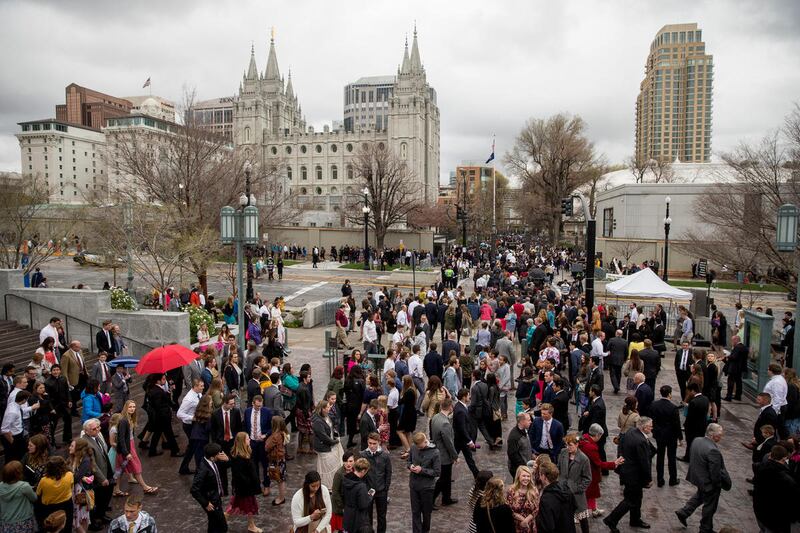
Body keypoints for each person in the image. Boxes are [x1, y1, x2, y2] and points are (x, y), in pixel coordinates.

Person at [675, 423, 731, 533]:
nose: (721, 437)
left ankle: (684, 512)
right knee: (710, 506)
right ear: (712, 435)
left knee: (700, 495)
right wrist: (717, 486)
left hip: (698, 477)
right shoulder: (713, 450)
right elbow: (715, 473)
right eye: (719, 435)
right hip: (708, 482)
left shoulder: (697, 440)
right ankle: (705, 528)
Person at [603, 417, 654, 533]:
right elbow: (644, 462)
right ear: (644, 427)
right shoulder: (641, 441)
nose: (652, 428)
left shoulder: (631, 431)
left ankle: (635, 519)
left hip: (626, 472)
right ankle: (611, 519)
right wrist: (648, 479)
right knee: (630, 500)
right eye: (651, 426)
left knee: (637, 498)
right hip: (634, 476)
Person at [579, 423, 623, 518]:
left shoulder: (584, 438)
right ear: (597, 435)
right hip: (590, 473)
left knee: (591, 493)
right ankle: (579, 515)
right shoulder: (591, 447)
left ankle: (594, 509)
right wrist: (614, 463)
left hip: (584, 472)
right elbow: (599, 463)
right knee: (588, 494)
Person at [752, 444, 799, 533]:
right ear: (784, 458)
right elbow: (793, 501)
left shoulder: (761, 467)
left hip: (760, 510)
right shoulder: (785, 479)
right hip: (775, 519)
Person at [115, 400, 158, 496]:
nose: (132, 409)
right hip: (126, 448)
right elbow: (121, 438)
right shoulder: (123, 421)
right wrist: (126, 453)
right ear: (126, 407)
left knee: (120, 470)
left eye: (134, 407)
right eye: (130, 407)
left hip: (130, 446)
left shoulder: (129, 419)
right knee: (135, 467)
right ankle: (145, 487)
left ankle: (116, 490)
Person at [226, 432, 263, 533]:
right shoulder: (239, 458)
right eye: (247, 439)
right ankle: (251, 526)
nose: (249, 440)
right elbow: (240, 475)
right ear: (242, 442)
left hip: (245, 488)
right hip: (245, 488)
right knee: (249, 507)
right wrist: (250, 484)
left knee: (235, 505)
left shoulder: (244, 454)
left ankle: (222, 519)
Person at [557, 433, 592, 533]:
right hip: (563, 490)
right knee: (566, 518)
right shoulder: (563, 453)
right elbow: (558, 468)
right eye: (566, 445)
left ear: (577, 444)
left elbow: (588, 478)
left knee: (582, 518)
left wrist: (577, 488)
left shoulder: (583, 459)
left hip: (576, 494)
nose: (568, 447)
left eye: (570, 445)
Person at [82, 419, 113, 531]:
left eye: (98, 427)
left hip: (106, 469)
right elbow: (92, 464)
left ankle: (102, 514)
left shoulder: (97, 436)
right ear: (86, 431)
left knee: (106, 494)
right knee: (97, 499)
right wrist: (102, 478)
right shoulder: (86, 443)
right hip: (96, 476)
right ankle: (94, 521)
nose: (98, 430)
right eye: (94, 429)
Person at [191, 443, 229, 533]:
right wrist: (205, 503)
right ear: (212, 457)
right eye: (218, 454)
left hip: (216, 498)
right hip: (211, 502)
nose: (221, 455)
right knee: (222, 526)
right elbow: (194, 489)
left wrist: (227, 460)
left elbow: (226, 466)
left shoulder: (212, 461)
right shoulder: (203, 470)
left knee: (213, 524)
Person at [649, 384, 682, 487]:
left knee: (660, 457)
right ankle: (672, 479)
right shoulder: (673, 408)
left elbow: (652, 419)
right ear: (669, 394)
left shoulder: (654, 405)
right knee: (671, 457)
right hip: (671, 436)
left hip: (659, 434)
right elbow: (677, 424)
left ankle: (660, 479)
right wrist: (680, 437)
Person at [408, 432, 441, 533]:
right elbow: (409, 461)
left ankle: (425, 530)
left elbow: (437, 472)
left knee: (426, 513)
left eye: (420, 446)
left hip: (427, 488)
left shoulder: (435, 452)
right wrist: (410, 466)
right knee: (415, 512)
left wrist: (422, 470)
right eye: (416, 446)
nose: (418, 448)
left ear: (425, 441)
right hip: (414, 485)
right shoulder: (413, 448)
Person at [211, 394, 243, 496]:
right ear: (225, 403)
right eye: (231, 404)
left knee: (235, 467)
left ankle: (235, 489)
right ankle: (224, 490)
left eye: (234, 403)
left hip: (233, 444)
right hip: (221, 444)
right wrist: (216, 445)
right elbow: (213, 431)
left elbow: (239, 428)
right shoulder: (215, 414)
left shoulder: (236, 412)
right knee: (222, 469)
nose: (233, 406)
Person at [536, 461, 578, 533]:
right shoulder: (566, 488)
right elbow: (575, 506)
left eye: (540, 474)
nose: (539, 477)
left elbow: (547, 526)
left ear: (544, 476)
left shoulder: (546, 499)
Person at [362, 432, 392, 533]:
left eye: (374, 443)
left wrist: (385, 488)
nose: (372, 446)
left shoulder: (385, 456)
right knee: (367, 516)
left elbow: (388, 473)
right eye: (370, 443)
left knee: (382, 516)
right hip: (368, 491)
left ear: (379, 442)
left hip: (381, 491)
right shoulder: (363, 455)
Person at [430, 399, 458, 507]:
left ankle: (446, 498)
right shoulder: (445, 423)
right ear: (450, 407)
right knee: (444, 479)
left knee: (446, 478)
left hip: (438, 451)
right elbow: (449, 443)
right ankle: (431, 499)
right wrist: (455, 456)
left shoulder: (436, 417)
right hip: (444, 455)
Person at [36, 457, 74, 531]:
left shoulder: (44, 481)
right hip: (66, 506)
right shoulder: (69, 475)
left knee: (49, 528)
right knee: (66, 528)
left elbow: (38, 493)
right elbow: (71, 487)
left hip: (48, 509)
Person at [0, 460, 38, 533]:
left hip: (6, 521)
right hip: (23, 521)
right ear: (18, 473)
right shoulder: (24, 486)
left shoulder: (0, 486)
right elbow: (34, 499)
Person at [454, 388, 480, 478]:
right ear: (464, 397)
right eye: (468, 395)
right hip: (461, 440)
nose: (469, 397)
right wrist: (469, 440)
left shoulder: (460, 406)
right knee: (453, 458)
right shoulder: (460, 410)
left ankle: (477, 475)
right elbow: (462, 428)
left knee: (469, 459)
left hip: (462, 439)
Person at [504, 465, 538, 533]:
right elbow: (508, 508)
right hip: (515, 525)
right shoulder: (511, 490)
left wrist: (526, 521)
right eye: (524, 476)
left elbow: (537, 508)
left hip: (530, 525)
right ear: (518, 476)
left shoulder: (534, 491)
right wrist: (522, 519)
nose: (526, 478)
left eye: (528, 476)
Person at [342, 457, 372, 533]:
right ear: (363, 471)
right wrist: (369, 496)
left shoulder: (346, 479)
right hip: (357, 518)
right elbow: (363, 505)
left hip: (347, 514)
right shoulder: (361, 486)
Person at [681, 382, 710, 461]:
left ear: (693, 391)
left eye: (690, 391)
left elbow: (690, 417)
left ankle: (688, 457)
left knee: (690, 443)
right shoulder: (705, 399)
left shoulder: (694, 401)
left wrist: (685, 425)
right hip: (702, 426)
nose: (689, 393)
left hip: (693, 427)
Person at [45, 365, 73, 445]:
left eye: (57, 370)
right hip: (55, 405)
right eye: (54, 370)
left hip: (64, 403)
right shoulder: (47, 382)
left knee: (68, 420)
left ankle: (67, 438)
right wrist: (51, 408)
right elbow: (47, 397)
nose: (56, 372)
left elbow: (67, 390)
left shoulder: (63, 378)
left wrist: (69, 400)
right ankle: (52, 441)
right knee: (54, 424)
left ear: (60, 371)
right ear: (51, 371)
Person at [265, 416, 289, 506]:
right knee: (281, 479)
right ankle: (281, 496)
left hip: (277, 460)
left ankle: (281, 498)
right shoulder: (283, 433)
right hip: (281, 459)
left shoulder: (275, 436)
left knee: (280, 480)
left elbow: (267, 447)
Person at [330, 451, 354, 532]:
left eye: (350, 461)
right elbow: (335, 492)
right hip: (340, 506)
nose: (348, 464)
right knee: (340, 528)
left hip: (350, 504)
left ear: (354, 461)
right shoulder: (339, 474)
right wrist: (343, 507)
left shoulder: (355, 471)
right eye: (345, 461)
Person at [506, 412, 532, 477]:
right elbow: (512, 454)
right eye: (528, 420)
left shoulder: (525, 430)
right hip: (518, 469)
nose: (531, 422)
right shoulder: (514, 437)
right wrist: (524, 466)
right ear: (522, 421)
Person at [724, 336, 747, 401]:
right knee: (739, 382)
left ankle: (729, 396)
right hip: (740, 368)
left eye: (732, 341)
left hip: (734, 368)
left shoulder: (737, 347)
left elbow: (734, 357)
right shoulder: (744, 347)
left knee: (730, 382)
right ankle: (738, 396)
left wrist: (728, 356)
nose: (732, 342)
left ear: (736, 340)